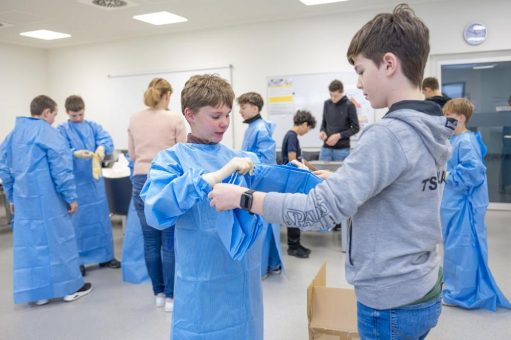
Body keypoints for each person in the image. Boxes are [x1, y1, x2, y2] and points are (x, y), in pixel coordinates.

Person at [209, 4, 456, 339]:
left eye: (361, 70)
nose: (358, 82)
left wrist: (244, 197)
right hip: (421, 286)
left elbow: (317, 212)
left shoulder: (386, 136)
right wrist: (341, 182)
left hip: (389, 301)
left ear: (388, 63)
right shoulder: (431, 127)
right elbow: (401, 192)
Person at [141, 74, 320, 339]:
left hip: (243, 278)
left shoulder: (240, 158)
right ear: (190, 114)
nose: (224, 123)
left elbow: (273, 182)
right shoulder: (172, 160)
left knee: (245, 328)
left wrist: (297, 174)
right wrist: (209, 179)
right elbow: (156, 211)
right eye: (215, 116)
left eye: (227, 115)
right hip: (202, 280)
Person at [0, 95, 92, 306]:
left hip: (24, 201)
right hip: (50, 199)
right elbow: (61, 169)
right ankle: (71, 288)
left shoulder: (12, 135)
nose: (53, 120)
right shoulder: (48, 133)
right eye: (53, 115)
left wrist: (11, 197)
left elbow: (4, 169)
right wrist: (70, 197)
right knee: (60, 242)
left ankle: (39, 294)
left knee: (33, 246)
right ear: (46, 113)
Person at [441, 98, 511, 311]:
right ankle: (454, 287)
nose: (444, 121)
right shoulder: (454, 140)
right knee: (453, 248)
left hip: (463, 206)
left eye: (448, 117)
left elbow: (473, 172)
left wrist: (447, 175)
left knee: (463, 249)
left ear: (461, 118)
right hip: (452, 204)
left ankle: (463, 293)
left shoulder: (466, 141)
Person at [128, 77, 186, 312]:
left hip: (140, 180)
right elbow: (184, 154)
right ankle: (172, 298)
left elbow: (132, 154)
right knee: (168, 242)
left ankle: (159, 294)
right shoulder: (174, 118)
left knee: (150, 241)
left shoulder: (134, 118)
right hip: (165, 181)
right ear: (167, 96)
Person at [58, 95, 120, 276]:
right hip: (76, 185)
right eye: (74, 115)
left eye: (80, 114)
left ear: (84, 110)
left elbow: (106, 140)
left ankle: (106, 257)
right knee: (78, 224)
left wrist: (102, 148)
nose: (78, 118)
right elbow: (59, 151)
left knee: (101, 220)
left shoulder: (93, 126)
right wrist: (74, 153)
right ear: (67, 113)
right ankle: (80, 261)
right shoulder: (62, 130)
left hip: (95, 184)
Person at [237, 91, 282, 277]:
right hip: (257, 181)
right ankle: (270, 264)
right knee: (265, 225)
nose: (240, 111)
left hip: (262, 182)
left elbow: (266, 159)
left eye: (243, 107)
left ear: (255, 108)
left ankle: (264, 267)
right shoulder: (253, 127)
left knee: (263, 226)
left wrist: (240, 158)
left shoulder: (260, 128)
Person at [281, 110, 317, 258]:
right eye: (308, 129)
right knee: (294, 210)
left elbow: (300, 159)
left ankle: (296, 243)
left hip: (293, 178)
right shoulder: (292, 136)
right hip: (291, 179)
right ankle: (293, 246)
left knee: (296, 210)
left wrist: (315, 169)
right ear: (304, 124)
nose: (307, 132)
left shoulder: (292, 136)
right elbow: (293, 160)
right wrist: (306, 171)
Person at [319, 79, 359, 161]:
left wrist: (339, 136)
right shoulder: (327, 103)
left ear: (342, 92)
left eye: (336, 96)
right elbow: (324, 123)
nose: (333, 98)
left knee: (339, 173)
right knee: (320, 172)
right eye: (331, 95)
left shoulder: (349, 105)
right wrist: (322, 131)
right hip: (326, 148)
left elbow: (355, 128)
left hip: (342, 150)